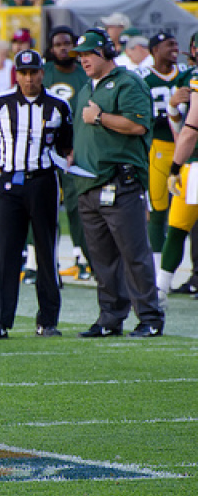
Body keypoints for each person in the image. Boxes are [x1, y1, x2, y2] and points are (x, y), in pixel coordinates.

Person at [69, 28, 165, 338]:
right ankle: (110, 318)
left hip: (119, 181)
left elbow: (138, 125)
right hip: (87, 182)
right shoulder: (85, 88)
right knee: (102, 258)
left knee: (133, 254)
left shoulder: (128, 82)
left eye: (88, 53)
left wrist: (100, 118)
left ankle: (150, 317)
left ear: (106, 53)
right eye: (80, 55)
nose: (83, 59)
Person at [0, 50, 73, 339]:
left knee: (46, 251)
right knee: (7, 252)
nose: (29, 78)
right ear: (16, 74)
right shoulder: (1, 103)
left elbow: (66, 148)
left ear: (42, 73)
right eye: (24, 73)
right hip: (11, 183)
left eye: (34, 73)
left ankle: (48, 321)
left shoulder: (58, 106)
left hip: (43, 181)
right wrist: (6, 168)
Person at [138, 32, 191, 271]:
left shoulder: (187, 74)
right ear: (154, 50)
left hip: (188, 148)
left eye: (176, 44)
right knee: (158, 208)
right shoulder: (143, 77)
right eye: (169, 45)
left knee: (189, 210)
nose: (175, 48)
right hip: (160, 147)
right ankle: (158, 269)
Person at [42, 26, 91, 280]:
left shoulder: (84, 74)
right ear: (51, 49)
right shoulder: (44, 73)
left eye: (67, 43)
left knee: (75, 205)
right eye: (58, 44)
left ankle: (82, 257)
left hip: (75, 149)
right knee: (41, 205)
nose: (63, 48)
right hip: (45, 147)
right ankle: (36, 261)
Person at [156, 32, 198, 306]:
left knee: (178, 226)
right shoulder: (188, 79)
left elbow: (189, 131)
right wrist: (173, 108)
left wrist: (174, 168)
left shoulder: (194, 80)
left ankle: (160, 290)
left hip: (195, 165)